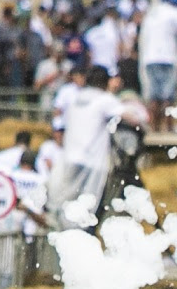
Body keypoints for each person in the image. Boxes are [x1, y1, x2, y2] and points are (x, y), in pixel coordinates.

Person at [51, 69, 124, 223]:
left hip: (70, 158)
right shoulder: (104, 99)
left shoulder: (76, 97)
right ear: (105, 83)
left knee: (66, 203)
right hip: (92, 163)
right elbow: (128, 116)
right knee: (85, 208)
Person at [138, 0, 177, 112]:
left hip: (150, 58)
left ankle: (154, 128)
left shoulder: (151, 14)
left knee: (154, 95)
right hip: (168, 57)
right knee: (168, 95)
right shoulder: (172, 12)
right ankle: (167, 126)